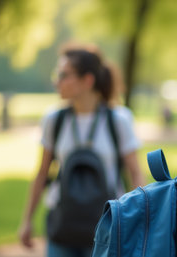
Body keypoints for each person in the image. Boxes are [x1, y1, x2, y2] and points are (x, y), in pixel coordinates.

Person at [18, 44, 145, 256]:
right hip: (63, 224)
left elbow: (135, 172)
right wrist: (27, 220)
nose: (56, 81)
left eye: (63, 74)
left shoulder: (119, 120)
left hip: (108, 223)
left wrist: (141, 218)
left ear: (87, 80)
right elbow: (42, 173)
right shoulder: (54, 120)